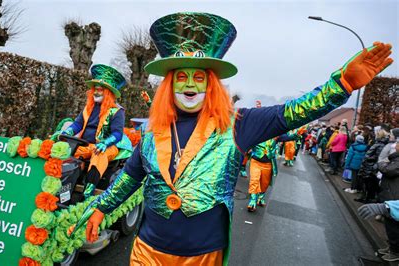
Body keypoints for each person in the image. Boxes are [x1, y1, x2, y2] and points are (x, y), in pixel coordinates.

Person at [76, 12, 393, 265]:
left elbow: (294, 111)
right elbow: (131, 176)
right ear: (169, 86)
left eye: (198, 77)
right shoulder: (153, 131)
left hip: (202, 256)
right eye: (181, 77)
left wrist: (341, 85)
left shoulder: (238, 125)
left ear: (210, 84)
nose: (189, 86)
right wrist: (103, 208)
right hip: (146, 252)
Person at [52, 64, 133, 197]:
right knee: (66, 152)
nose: (96, 92)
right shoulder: (89, 107)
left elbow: (117, 134)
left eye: (100, 90)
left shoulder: (117, 111)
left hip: (108, 146)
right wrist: (67, 133)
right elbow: (77, 124)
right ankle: (61, 189)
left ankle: (88, 189)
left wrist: (105, 143)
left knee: (99, 154)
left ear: (108, 93)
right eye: (95, 89)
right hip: (85, 144)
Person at [358, 144, 399, 262]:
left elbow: (387, 169)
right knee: (390, 226)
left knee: (394, 227)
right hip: (390, 195)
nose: (395, 145)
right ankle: (392, 248)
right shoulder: (395, 158)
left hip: (394, 196)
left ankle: (395, 251)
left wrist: (382, 162)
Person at [355, 128, 390, 203]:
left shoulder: (379, 145)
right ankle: (366, 198)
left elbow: (377, 156)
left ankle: (367, 199)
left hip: (370, 166)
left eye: (376, 134)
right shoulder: (381, 144)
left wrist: (368, 158)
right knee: (368, 183)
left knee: (369, 184)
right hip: (370, 166)